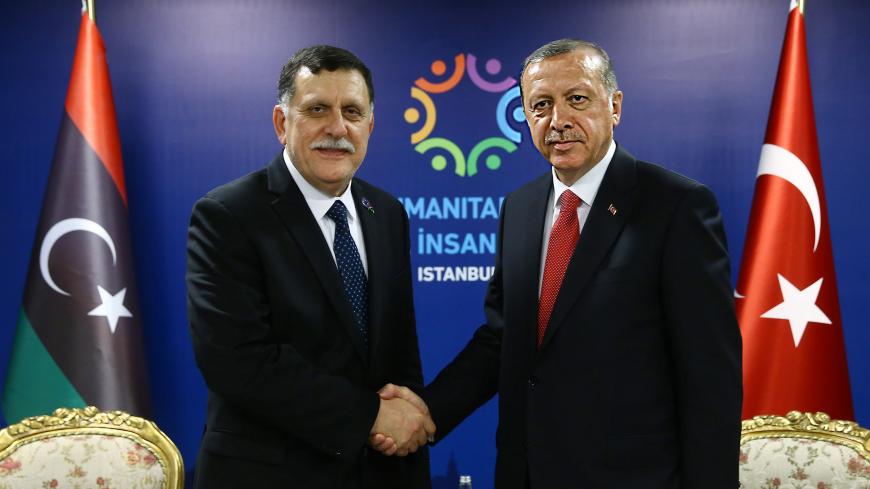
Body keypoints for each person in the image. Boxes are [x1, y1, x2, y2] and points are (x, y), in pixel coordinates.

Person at [376, 39, 742, 488]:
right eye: (541, 105)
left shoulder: (676, 206)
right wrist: (429, 411)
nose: (558, 121)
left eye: (577, 99)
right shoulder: (521, 207)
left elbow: (710, 377)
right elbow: (503, 338)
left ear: (615, 106)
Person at [186, 45, 433, 488]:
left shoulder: (387, 212)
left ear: (370, 126)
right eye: (317, 109)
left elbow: (399, 350)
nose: (337, 128)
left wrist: (407, 426)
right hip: (269, 475)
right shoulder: (229, 214)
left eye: (352, 112)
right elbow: (238, 362)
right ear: (283, 123)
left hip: (380, 470)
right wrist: (374, 415)